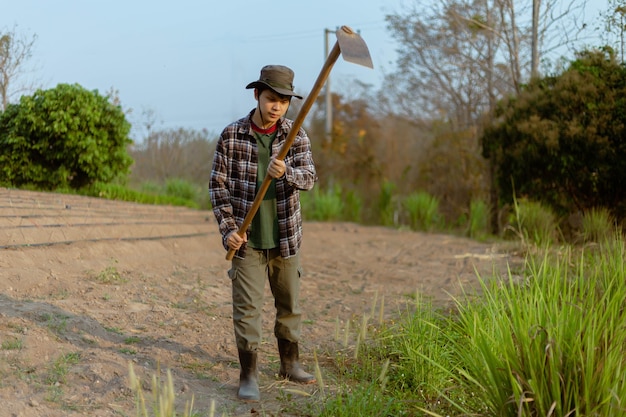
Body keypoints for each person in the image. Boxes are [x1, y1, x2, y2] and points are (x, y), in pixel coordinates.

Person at [209, 65, 317, 401]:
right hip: (247, 242)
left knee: (289, 304)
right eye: (271, 99)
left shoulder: (295, 135)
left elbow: (310, 177)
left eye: (284, 101)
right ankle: (249, 375)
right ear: (257, 95)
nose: (277, 107)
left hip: (285, 238)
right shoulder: (231, 135)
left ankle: (290, 363)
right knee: (247, 309)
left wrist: (286, 172)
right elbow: (217, 187)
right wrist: (228, 231)